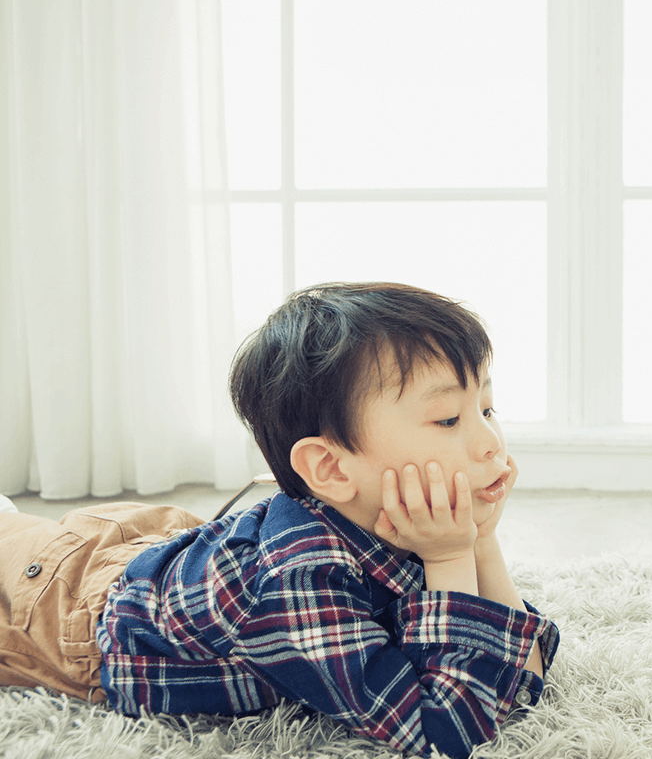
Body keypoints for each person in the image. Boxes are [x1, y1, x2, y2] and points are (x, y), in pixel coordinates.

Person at [0, 281, 558, 759]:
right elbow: (445, 731)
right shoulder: (299, 580)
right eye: (447, 419)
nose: (491, 443)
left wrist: (480, 542)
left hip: (168, 549)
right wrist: (451, 557)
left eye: (487, 409)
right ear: (331, 469)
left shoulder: (408, 521)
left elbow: (521, 667)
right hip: (70, 606)